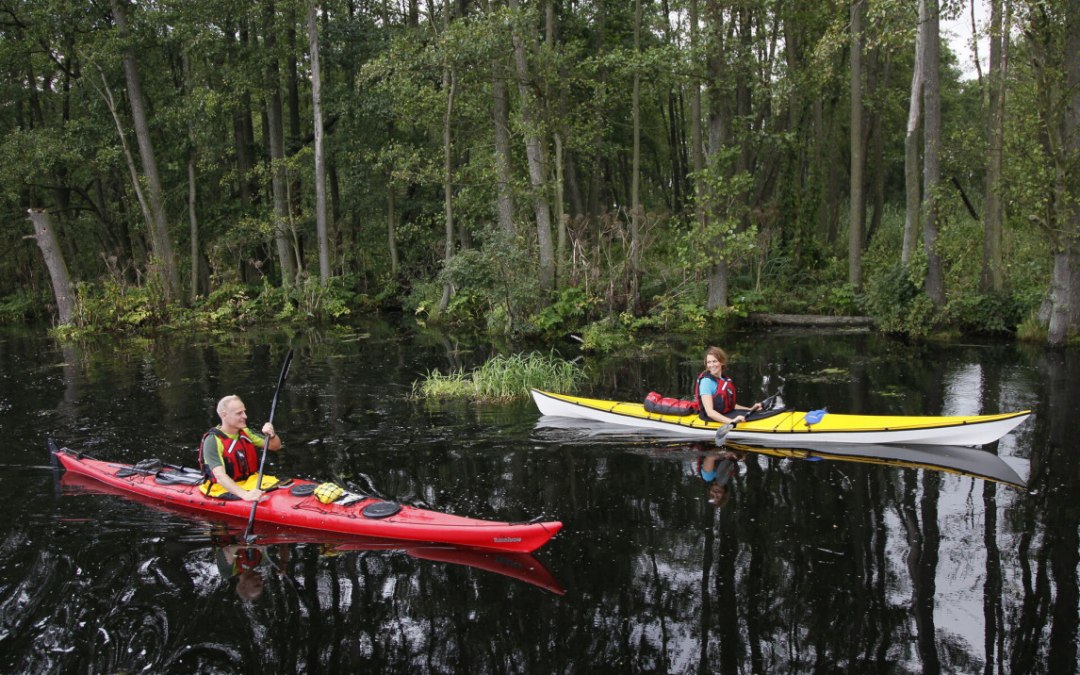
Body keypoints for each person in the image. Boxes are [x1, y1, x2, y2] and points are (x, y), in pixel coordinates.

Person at [199, 394, 283, 501]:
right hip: (223, 487)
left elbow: (276, 446)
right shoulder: (212, 440)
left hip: (249, 481)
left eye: (244, 412)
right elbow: (220, 476)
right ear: (224, 415)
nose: (245, 416)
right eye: (239, 413)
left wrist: (272, 435)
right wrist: (244, 494)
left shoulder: (245, 432)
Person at [694, 346, 762, 425]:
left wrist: (750, 409)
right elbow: (710, 412)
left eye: (714, 361)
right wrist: (731, 421)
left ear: (722, 362)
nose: (712, 365)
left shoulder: (724, 380)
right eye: (709, 362)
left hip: (726, 414)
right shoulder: (706, 382)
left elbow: (731, 405)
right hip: (710, 418)